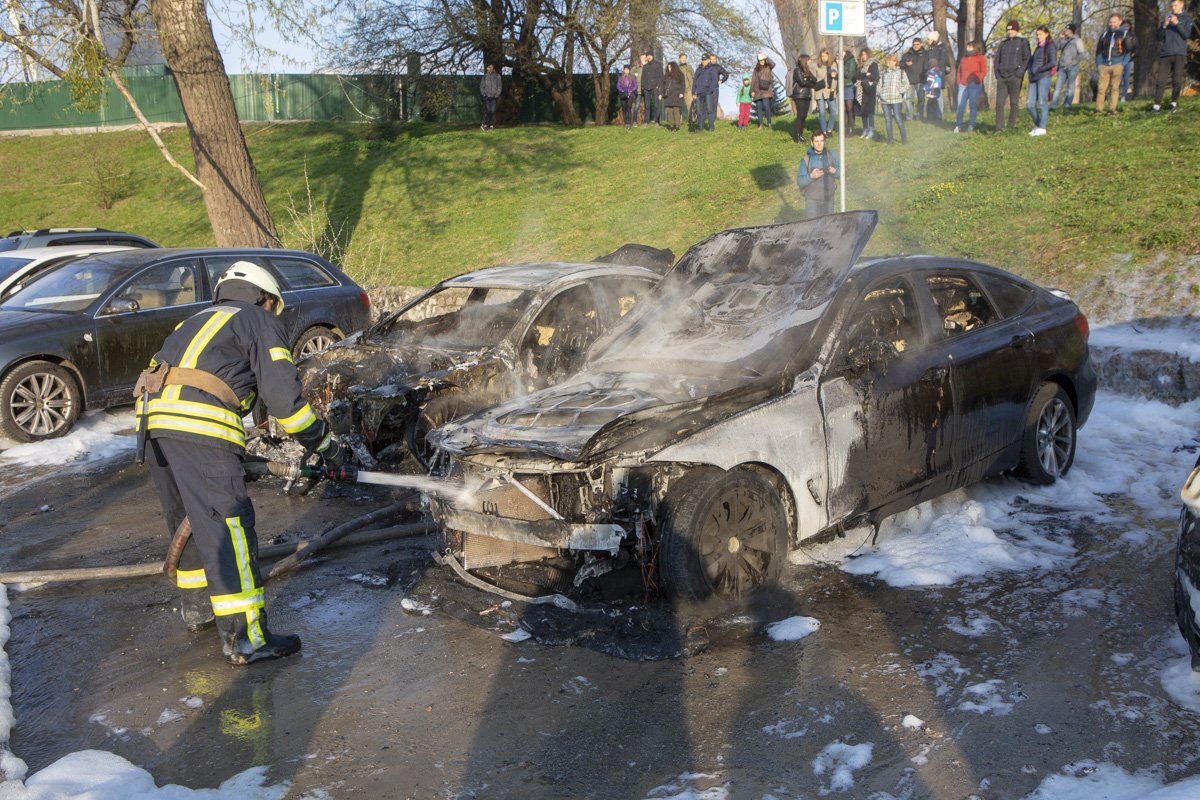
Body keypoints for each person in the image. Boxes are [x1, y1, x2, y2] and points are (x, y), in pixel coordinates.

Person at [138, 262, 344, 665]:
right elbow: (286, 404)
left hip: (154, 426)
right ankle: (247, 638)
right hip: (199, 428)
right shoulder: (258, 319)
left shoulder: (196, 320)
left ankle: (200, 610)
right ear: (266, 299)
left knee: (193, 523)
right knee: (228, 525)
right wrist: (324, 443)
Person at [1153, 0, 1193, 113]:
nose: (1173, 8)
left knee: (1176, 80)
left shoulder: (1187, 18)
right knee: (1160, 81)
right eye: (1171, 6)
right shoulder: (1167, 18)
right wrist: (1164, 25)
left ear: (1182, 5)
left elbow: (1187, 34)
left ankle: (1173, 104)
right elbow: (1159, 37)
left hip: (1180, 53)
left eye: (1175, 5)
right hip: (1166, 53)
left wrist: (1177, 23)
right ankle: (1156, 106)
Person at [994, 20, 1031, 130]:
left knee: (1014, 102)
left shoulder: (1023, 42)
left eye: (1012, 29)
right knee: (999, 103)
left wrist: (1019, 73)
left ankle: (1011, 126)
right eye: (1008, 29)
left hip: (1015, 76)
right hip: (1002, 77)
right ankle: (999, 127)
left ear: (1017, 30)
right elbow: (997, 60)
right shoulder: (1003, 44)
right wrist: (997, 74)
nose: (1010, 31)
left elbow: (1027, 58)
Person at [796, 130, 838, 218]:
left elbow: (841, 174)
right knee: (813, 228)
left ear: (824, 142)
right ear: (812, 143)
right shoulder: (806, 160)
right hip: (812, 202)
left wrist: (835, 172)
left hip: (829, 199)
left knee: (828, 225)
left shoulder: (831, 155)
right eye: (816, 141)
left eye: (821, 141)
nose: (819, 144)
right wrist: (811, 176)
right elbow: (799, 181)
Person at [1096, 14, 1131, 115]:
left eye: (1114, 22)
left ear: (1120, 22)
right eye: (1110, 22)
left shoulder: (1124, 34)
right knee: (1101, 88)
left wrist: (1122, 64)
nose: (1112, 24)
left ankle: (1111, 109)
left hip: (1117, 64)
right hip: (1104, 65)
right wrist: (1099, 64)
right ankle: (1098, 109)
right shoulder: (1104, 34)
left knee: (1114, 88)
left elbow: (1129, 51)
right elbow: (1098, 50)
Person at [1026, 25, 1056, 136]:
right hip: (1034, 78)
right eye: (1037, 35)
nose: (1038, 37)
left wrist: (1039, 69)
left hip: (1044, 77)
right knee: (1030, 104)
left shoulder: (1050, 46)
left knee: (1042, 102)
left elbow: (1053, 62)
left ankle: (1042, 127)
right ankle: (1039, 124)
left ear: (1046, 34)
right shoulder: (1038, 47)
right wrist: (1030, 70)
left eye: (1040, 34)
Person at [1050, 23, 1085, 112]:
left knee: (1070, 87)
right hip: (1062, 67)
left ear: (1071, 31)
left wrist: (1074, 62)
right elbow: (1055, 47)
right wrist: (1060, 38)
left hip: (1072, 67)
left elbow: (1081, 53)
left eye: (1067, 29)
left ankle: (1067, 105)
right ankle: (1053, 106)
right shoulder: (1064, 40)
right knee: (1058, 87)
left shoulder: (1077, 40)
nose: (1065, 31)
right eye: (1065, 29)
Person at [954, 40, 986, 132]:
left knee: (972, 104)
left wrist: (978, 79)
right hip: (963, 85)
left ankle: (971, 125)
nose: (967, 48)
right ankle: (958, 125)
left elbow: (984, 71)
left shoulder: (980, 58)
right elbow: (959, 71)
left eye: (970, 46)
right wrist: (959, 82)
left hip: (974, 85)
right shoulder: (963, 59)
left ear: (975, 47)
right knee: (960, 105)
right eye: (967, 46)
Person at [878, 53, 910, 144]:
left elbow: (907, 84)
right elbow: (879, 85)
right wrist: (881, 94)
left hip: (896, 100)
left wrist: (900, 91)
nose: (887, 63)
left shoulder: (901, 72)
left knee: (898, 118)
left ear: (895, 62)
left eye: (889, 61)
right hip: (885, 100)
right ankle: (890, 139)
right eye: (886, 62)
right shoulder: (883, 73)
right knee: (888, 120)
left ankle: (904, 139)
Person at [692, 53, 726, 132]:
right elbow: (694, 81)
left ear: (708, 60)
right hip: (699, 93)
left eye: (705, 60)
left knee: (710, 110)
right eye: (702, 60)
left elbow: (714, 80)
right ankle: (700, 128)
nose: (703, 61)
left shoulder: (712, 69)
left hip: (708, 92)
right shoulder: (698, 69)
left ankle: (711, 127)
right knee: (699, 111)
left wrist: (710, 90)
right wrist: (693, 92)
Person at [790, 54, 819, 143]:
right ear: (804, 60)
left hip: (807, 95)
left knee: (804, 116)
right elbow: (802, 82)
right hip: (799, 95)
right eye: (809, 60)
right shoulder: (797, 70)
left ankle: (800, 135)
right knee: (800, 116)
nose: (810, 62)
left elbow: (814, 80)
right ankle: (797, 136)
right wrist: (808, 81)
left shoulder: (807, 70)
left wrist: (808, 79)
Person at [922, 32, 951, 119]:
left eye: (929, 39)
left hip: (937, 76)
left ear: (933, 40)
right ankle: (931, 117)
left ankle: (939, 116)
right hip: (930, 76)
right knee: (930, 96)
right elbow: (926, 63)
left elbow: (943, 62)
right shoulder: (930, 50)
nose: (927, 41)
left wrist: (936, 71)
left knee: (938, 97)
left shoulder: (942, 49)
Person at [814, 48, 838, 136]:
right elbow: (813, 78)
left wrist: (834, 73)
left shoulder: (832, 64)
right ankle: (823, 131)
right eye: (822, 56)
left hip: (830, 90)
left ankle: (829, 129)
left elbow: (835, 76)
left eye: (825, 56)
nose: (823, 58)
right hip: (820, 91)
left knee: (833, 110)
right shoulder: (817, 65)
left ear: (828, 56)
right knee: (822, 112)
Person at [856, 48, 879, 139]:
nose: (863, 56)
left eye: (865, 55)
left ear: (868, 55)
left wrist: (864, 77)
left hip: (870, 90)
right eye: (862, 55)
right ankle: (865, 129)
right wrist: (866, 75)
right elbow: (856, 75)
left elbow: (874, 76)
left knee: (870, 111)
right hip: (861, 90)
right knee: (863, 111)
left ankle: (871, 129)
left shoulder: (873, 64)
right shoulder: (860, 66)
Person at [900, 38, 926, 120]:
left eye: (917, 44)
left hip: (921, 80)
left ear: (921, 44)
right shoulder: (907, 55)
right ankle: (909, 117)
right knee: (908, 100)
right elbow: (900, 64)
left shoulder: (925, 54)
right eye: (914, 44)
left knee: (921, 99)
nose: (915, 46)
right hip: (909, 81)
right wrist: (905, 64)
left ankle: (920, 117)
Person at [751, 53, 776, 128]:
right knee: (759, 108)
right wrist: (752, 90)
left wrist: (766, 56)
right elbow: (753, 80)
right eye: (760, 60)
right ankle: (761, 124)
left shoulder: (768, 67)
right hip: (757, 90)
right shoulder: (756, 69)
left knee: (766, 106)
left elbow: (773, 64)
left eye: (763, 60)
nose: (762, 61)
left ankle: (769, 123)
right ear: (758, 61)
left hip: (766, 90)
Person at [640, 52, 664, 126]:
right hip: (646, 88)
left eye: (650, 55)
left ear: (653, 56)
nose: (649, 57)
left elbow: (661, 77)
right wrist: (643, 87)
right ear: (646, 57)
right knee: (647, 105)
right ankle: (646, 121)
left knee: (656, 105)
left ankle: (657, 121)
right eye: (648, 56)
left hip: (655, 87)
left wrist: (658, 86)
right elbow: (643, 77)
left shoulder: (658, 65)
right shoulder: (645, 66)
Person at [662, 62, 686, 131]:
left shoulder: (680, 75)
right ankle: (671, 125)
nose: (669, 68)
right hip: (668, 95)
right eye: (668, 67)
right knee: (669, 111)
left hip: (676, 94)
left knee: (676, 110)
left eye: (670, 67)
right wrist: (662, 93)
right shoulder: (666, 76)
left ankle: (677, 125)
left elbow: (683, 84)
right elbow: (663, 85)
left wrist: (681, 92)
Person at [1119, 20, 1137, 102]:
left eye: (1127, 26)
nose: (1125, 28)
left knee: (1126, 78)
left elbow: (1136, 48)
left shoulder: (1132, 36)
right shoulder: (1118, 35)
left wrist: (1132, 55)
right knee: (1118, 78)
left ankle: (1123, 97)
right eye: (1124, 26)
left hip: (1129, 59)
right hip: (1118, 58)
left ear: (1130, 27)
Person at [841, 46, 858, 134]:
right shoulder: (842, 61)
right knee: (843, 109)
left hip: (848, 85)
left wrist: (840, 67)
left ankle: (851, 127)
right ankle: (845, 128)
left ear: (845, 52)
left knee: (849, 109)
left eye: (842, 52)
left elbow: (850, 75)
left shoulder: (850, 60)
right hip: (841, 86)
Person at [480, 64, 501, 130]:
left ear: (493, 68)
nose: (490, 68)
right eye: (489, 67)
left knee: (493, 111)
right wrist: (484, 94)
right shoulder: (484, 76)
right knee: (488, 111)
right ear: (487, 68)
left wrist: (497, 94)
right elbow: (481, 87)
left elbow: (499, 86)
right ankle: (486, 124)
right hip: (487, 96)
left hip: (494, 97)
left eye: (491, 67)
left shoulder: (497, 76)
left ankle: (489, 125)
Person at [617, 64, 638, 129]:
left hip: (630, 95)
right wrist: (622, 90)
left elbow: (635, 85)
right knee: (624, 109)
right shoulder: (621, 77)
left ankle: (629, 123)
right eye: (625, 69)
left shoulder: (632, 77)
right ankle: (625, 123)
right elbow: (618, 86)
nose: (626, 70)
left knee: (629, 108)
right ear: (624, 70)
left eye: (627, 69)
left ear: (629, 70)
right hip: (623, 95)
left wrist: (631, 90)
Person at [678, 52, 694, 120]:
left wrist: (693, 88)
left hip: (688, 89)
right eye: (682, 58)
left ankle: (692, 120)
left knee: (690, 105)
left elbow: (694, 77)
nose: (684, 59)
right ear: (679, 59)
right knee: (679, 105)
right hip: (679, 90)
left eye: (685, 58)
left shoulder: (689, 67)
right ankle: (679, 120)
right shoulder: (677, 68)